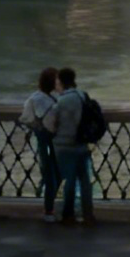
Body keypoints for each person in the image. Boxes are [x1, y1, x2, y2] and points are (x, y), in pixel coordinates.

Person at [48, 67, 97, 226]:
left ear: (61, 82)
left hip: (63, 145)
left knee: (69, 180)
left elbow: (51, 124)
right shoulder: (83, 96)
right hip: (82, 143)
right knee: (84, 180)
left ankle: (68, 215)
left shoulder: (61, 101)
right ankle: (88, 215)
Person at [20, 68, 62, 222]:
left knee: (49, 172)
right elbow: (55, 123)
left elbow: (26, 119)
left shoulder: (33, 98)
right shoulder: (53, 101)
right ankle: (49, 210)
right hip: (53, 142)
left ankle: (47, 204)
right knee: (54, 174)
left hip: (41, 140)